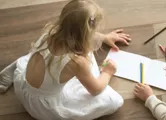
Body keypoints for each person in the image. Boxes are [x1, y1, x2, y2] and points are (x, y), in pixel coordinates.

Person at [0, 0, 131, 119]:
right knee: (114, 101)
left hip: (24, 86)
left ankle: (15, 68)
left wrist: (104, 37)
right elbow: (96, 90)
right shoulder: (76, 62)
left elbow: (77, 33)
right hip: (42, 107)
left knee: (38, 59)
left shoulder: (49, 34)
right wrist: (107, 72)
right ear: (87, 33)